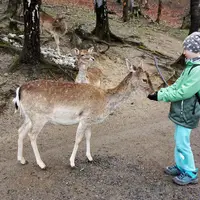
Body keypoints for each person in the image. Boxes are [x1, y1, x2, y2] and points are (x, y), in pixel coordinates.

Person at [148, 31, 200, 186]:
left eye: (186, 49)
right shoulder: (190, 67)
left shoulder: (198, 70)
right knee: (179, 141)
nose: (183, 52)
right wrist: (160, 93)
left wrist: (160, 97)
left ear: (196, 50)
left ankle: (190, 172)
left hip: (188, 113)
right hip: (181, 111)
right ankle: (181, 166)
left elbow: (184, 92)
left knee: (183, 143)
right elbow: (177, 85)